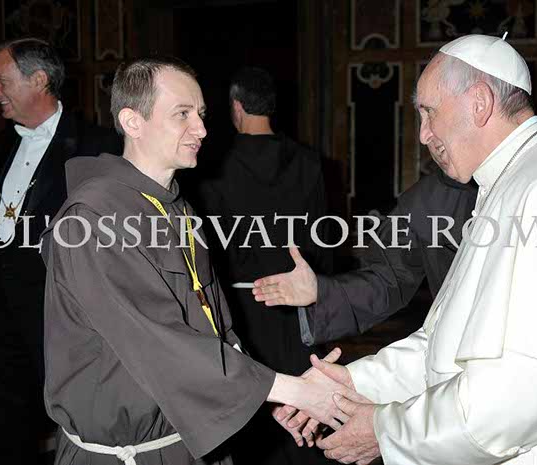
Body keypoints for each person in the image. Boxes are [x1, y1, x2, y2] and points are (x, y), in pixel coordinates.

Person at [280, 34, 537, 465]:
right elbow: (450, 343)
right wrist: (352, 385)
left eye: (429, 112)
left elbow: (521, 393)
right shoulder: (514, 178)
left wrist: (386, 431)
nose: (424, 134)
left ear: (480, 103)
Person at [41, 56, 359, 465]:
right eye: (182, 114)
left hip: (190, 440)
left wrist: (261, 399)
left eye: (202, 114)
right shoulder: (91, 219)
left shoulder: (179, 209)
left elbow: (214, 326)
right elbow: (159, 341)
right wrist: (290, 389)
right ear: (133, 122)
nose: (203, 129)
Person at [0, 37, 120, 465]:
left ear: (38, 80)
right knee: (7, 429)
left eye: (1, 81)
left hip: (60, 314)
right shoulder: (4, 142)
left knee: (81, 425)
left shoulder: (97, 146)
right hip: (2, 313)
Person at [195, 66, 334, 464]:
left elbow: (207, 248)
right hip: (298, 308)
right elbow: (323, 243)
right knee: (301, 410)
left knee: (252, 416)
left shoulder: (214, 166)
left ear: (236, 106)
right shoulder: (308, 162)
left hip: (240, 311)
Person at [252, 161, 476, 344]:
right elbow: (388, 278)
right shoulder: (429, 198)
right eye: (421, 122)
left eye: (432, 118)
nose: (424, 136)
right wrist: (321, 291)